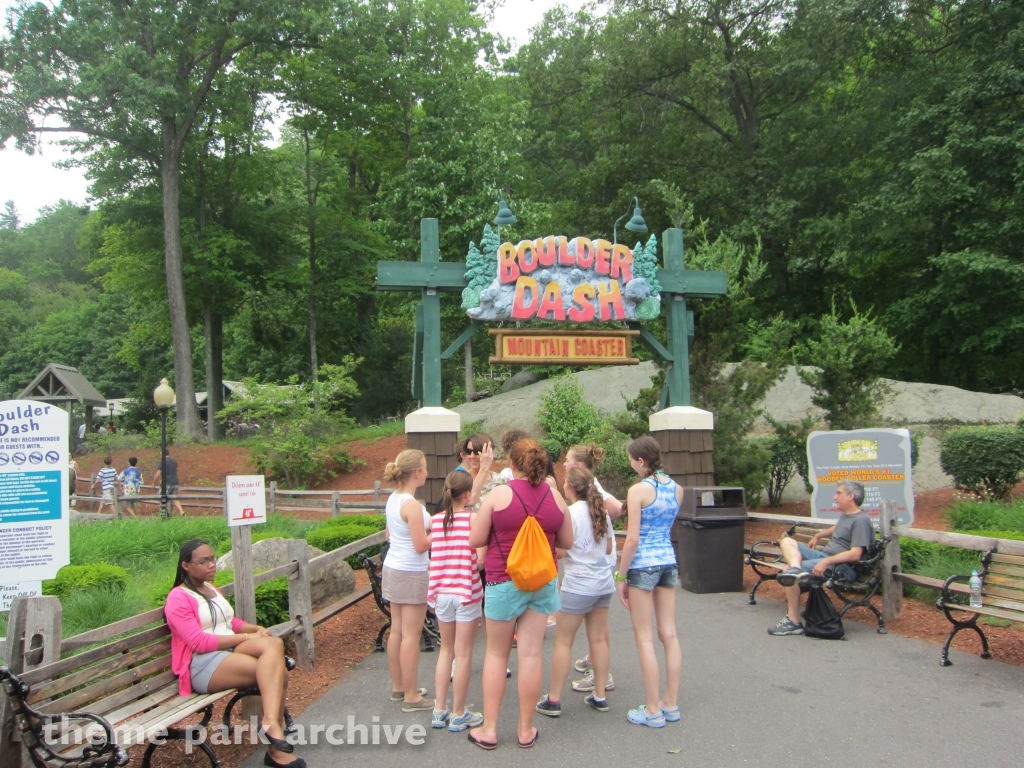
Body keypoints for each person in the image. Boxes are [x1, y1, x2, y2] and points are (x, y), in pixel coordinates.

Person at [467, 438, 572, 750]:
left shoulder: (500, 494)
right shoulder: (555, 497)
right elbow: (566, 541)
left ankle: (489, 729)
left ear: (512, 464)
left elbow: (475, 539)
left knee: (497, 654)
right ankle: (526, 729)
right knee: (530, 654)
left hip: (502, 581)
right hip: (541, 583)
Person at [164, 540, 302, 768]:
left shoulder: (212, 589)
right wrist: (247, 638)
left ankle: (270, 725)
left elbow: (229, 622)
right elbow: (198, 642)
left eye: (212, 559)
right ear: (186, 565)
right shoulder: (178, 598)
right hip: (202, 665)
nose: (211, 565)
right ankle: (275, 749)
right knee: (279, 674)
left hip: (227, 653)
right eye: (203, 561)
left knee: (273, 644)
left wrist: (253, 629)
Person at [536, 467, 615, 717]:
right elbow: (610, 545)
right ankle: (600, 695)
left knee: (563, 642)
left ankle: (554, 699)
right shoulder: (600, 511)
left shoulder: (568, 514)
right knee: (599, 639)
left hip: (578, 584)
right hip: (603, 583)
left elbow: (560, 550)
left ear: (568, 487)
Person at [617, 435, 683, 728]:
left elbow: (632, 539)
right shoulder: (677, 490)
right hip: (668, 560)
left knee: (643, 637)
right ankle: (671, 702)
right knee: (669, 633)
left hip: (642, 564)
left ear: (641, 461)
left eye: (632, 459)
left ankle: (653, 709)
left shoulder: (637, 491)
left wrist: (621, 574)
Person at [768, 480, 874, 636]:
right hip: (825, 557)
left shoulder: (861, 521)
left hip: (841, 567)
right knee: (786, 541)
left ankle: (793, 621)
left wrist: (826, 561)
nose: (835, 497)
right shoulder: (848, 516)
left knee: (787, 571)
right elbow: (838, 528)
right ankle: (797, 569)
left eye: (839, 493)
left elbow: (855, 554)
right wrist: (818, 535)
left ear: (851, 496)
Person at [428, 470, 484, 732]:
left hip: (441, 593)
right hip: (466, 591)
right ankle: (459, 713)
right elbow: (480, 559)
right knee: (463, 655)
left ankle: (439, 710)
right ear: (467, 494)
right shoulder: (474, 519)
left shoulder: (437, 521)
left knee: (446, 651)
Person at [564, 444, 621, 690]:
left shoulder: (592, 490)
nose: (564, 463)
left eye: (567, 460)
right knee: (596, 629)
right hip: (600, 564)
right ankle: (595, 664)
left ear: (577, 465)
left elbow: (618, 508)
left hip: (594, 566)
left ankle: (603, 675)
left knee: (597, 629)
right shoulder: (591, 487)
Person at [382, 449, 434, 711]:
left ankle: (399, 686)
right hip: (412, 571)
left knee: (397, 630)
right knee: (411, 636)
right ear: (417, 473)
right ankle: (412, 697)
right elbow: (421, 545)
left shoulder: (393, 499)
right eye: (425, 467)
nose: (427, 471)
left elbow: (390, 535)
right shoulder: (413, 505)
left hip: (392, 567)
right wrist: (441, 531)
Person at [154, 449, 185, 516]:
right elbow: (170, 471)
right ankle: (181, 512)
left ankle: (165, 512)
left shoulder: (162, 462)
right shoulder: (174, 462)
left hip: (167, 483)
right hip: (175, 482)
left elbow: (158, 474)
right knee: (174, 498)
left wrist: (153, 483)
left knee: (160, 496)